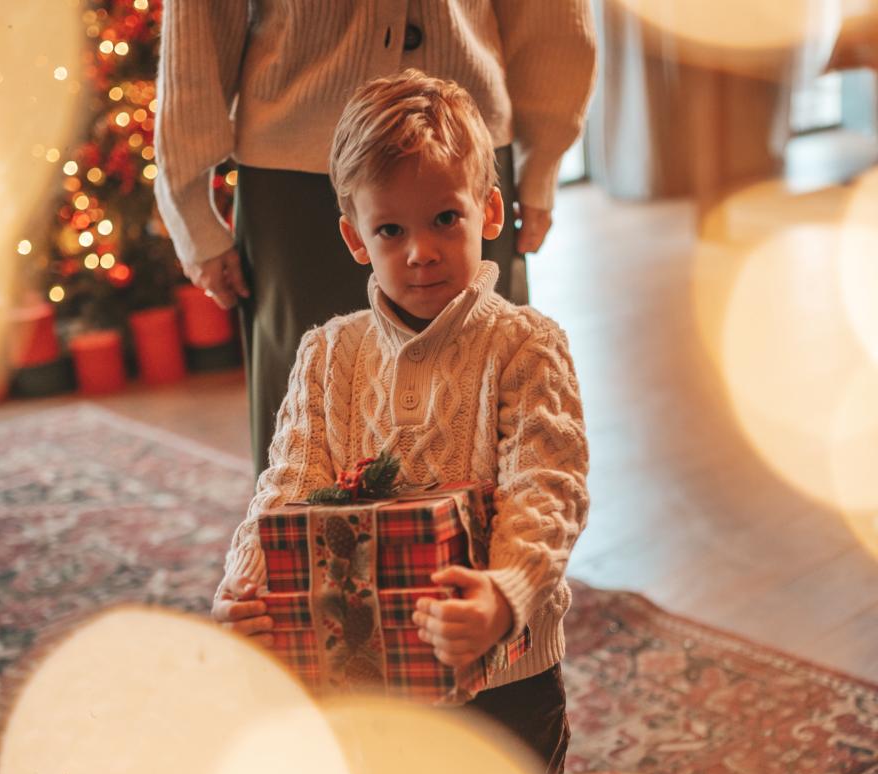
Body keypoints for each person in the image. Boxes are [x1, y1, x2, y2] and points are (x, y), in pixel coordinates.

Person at [208, 71, 590, 774]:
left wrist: (503, 593)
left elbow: (549, 489)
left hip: (504, 678)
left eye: (445, 218)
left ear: (491, 210)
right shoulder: (328, 354)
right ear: (356, 238)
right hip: (367, 672)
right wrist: (248, 583)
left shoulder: (526, 345)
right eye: (392, 229)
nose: (420, 251)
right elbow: (289, 483)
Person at [155, 1, 596, 477]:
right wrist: (189, 204)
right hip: (295, 175)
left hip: (464, 150)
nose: (418, 254)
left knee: (494, 438)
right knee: (307, 459)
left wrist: (544, 157)